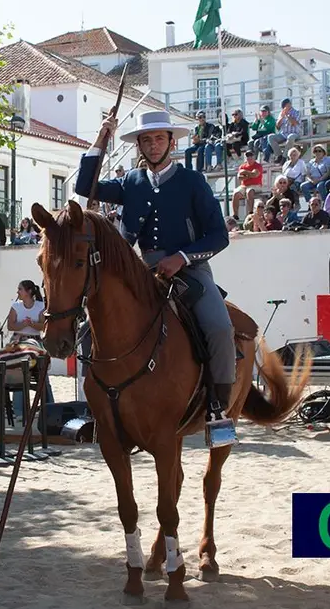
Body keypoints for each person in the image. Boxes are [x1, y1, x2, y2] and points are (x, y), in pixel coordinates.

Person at [75, 110, 236, 447]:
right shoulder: (131, 181)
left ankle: (217, 408)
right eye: (146, 140)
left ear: (171, 142)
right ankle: (99, 407)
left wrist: (182, 257)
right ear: (139, 146)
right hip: (141, 272)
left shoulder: (193, 181)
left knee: (220, 327)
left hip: (190, 269)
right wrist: (100, 139)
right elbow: (83, 186)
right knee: (87, 329)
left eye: (159, 138)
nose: (152, 144)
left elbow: (219, 236)